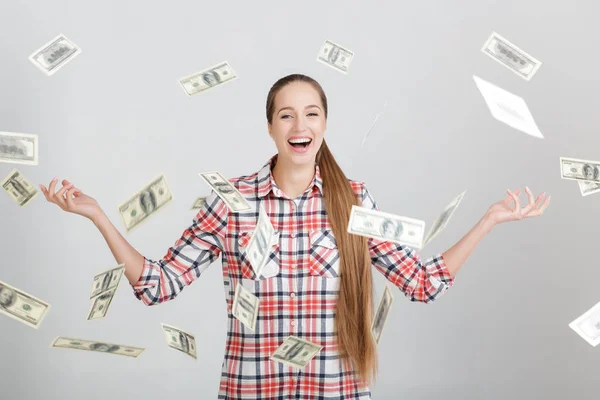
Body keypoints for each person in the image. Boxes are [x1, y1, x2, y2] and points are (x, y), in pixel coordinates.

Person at [40, 73, 551, 399]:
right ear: (270, 128)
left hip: (337, 392)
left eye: (311, 113)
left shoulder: (354, 202)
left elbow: (421, 283)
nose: (299, 123)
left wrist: (488, 221)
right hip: (250, 391)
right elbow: (158, 285)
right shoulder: (229, 202)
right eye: (286, 114)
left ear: (325, 124)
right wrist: (99, 216)